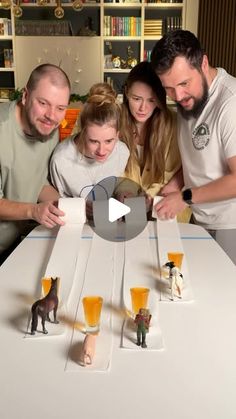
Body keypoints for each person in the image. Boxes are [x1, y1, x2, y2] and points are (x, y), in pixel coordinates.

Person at [151, 29, 236, 264]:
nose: (177, 95)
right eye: (168, 88)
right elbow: (199, 158)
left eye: (184, 83)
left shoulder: (230, 103)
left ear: (203, 62)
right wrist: (174, 186)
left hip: (230, 224)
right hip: (201, 220)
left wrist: (185, 197)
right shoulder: (188, 100)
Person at [0, 63, 71, 264]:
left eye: (60, 108)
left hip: (12, 245)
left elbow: (38, 182)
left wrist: (69, 207)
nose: (51, 115)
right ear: (25, 96)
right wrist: (33, 211)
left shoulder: (50, 130)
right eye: (43, 103)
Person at [50, 82, 129, 200]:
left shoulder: (122, 153)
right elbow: (57, 205)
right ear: (82, 132)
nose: (101, 151)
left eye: (108, 141)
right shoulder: (61, 160)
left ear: (117, 135)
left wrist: (121, 194)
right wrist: (81, 207)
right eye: (93, 141)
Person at [120, 60, 182, 200]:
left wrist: (149, 197)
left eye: (151, 100)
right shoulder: (114, 122)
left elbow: (170, 175)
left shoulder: (173, 124)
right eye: (136, 99)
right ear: (126, 93)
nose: (143, 108)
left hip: (161, 204)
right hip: (122, 204)